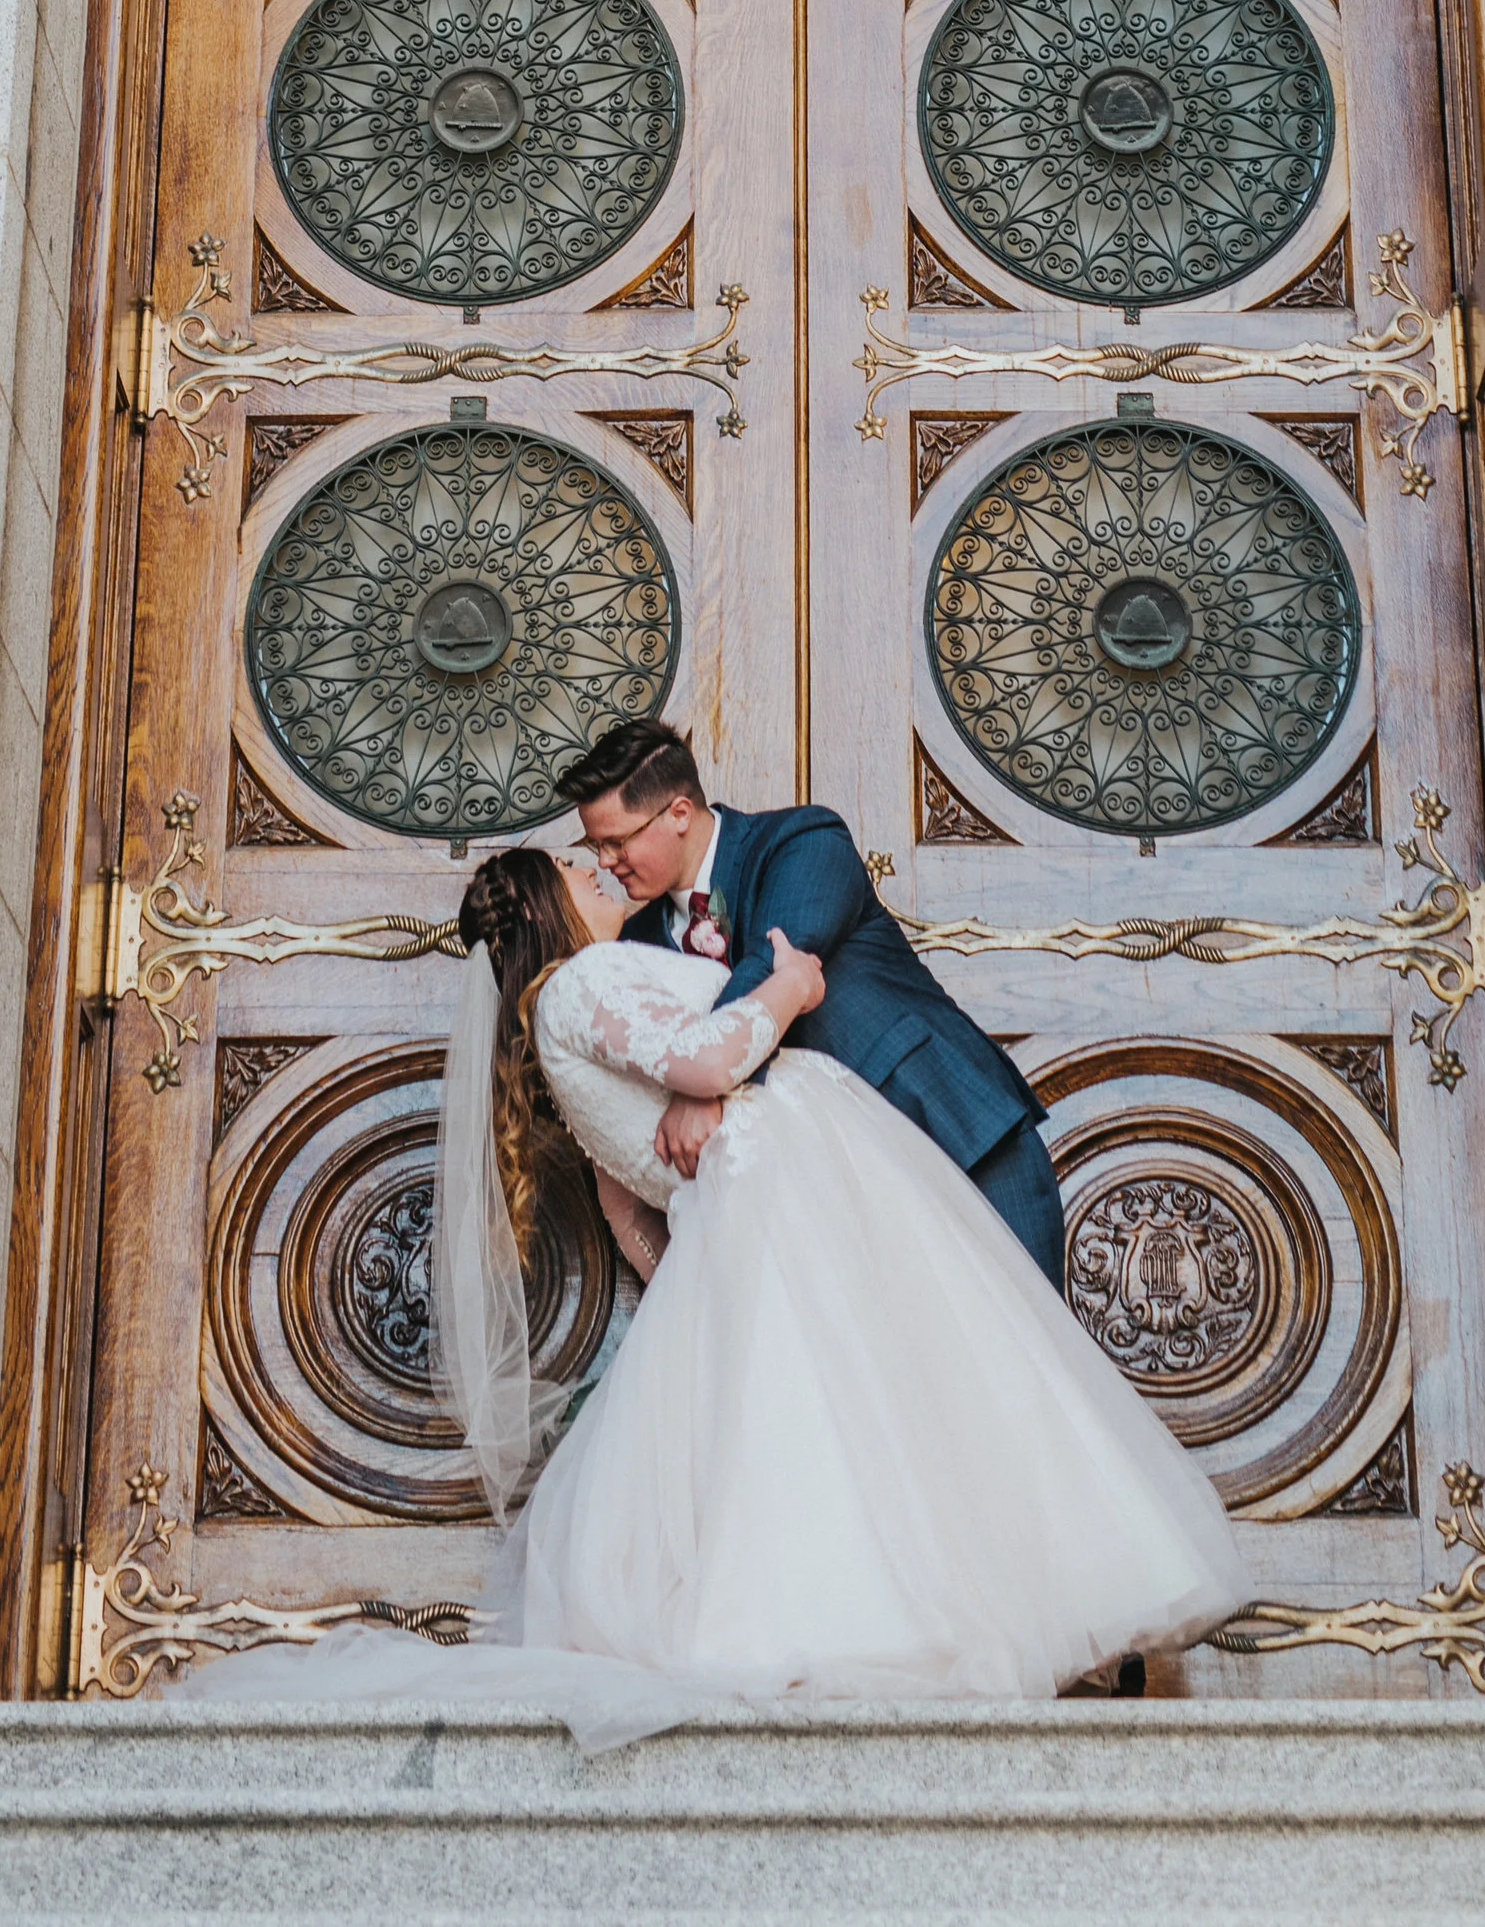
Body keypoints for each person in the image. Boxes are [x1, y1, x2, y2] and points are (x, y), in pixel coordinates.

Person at [418, 832, 1245, 1702]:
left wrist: (705, 1290)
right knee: (915, 1403)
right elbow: (704, 1061)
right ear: (550, 913)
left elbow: (628, 1215)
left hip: (753, 1228)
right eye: (573, 873)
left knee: (826, 1435)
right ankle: (952, 1617)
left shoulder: (559, 1042)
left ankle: (855, 1629)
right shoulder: (584, 981)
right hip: (794, 1186)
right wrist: (792, 985)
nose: (596, 869)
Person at [561, 720, 1069, 1284]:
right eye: (595, 846)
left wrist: (704, 1083)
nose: (605, 861)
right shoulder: (635, 942)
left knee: (1031, 1355)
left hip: (955, 1134)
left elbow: (776, 961)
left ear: (678, 813)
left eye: (617, 841)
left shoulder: (801, 841)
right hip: (837, 1210)